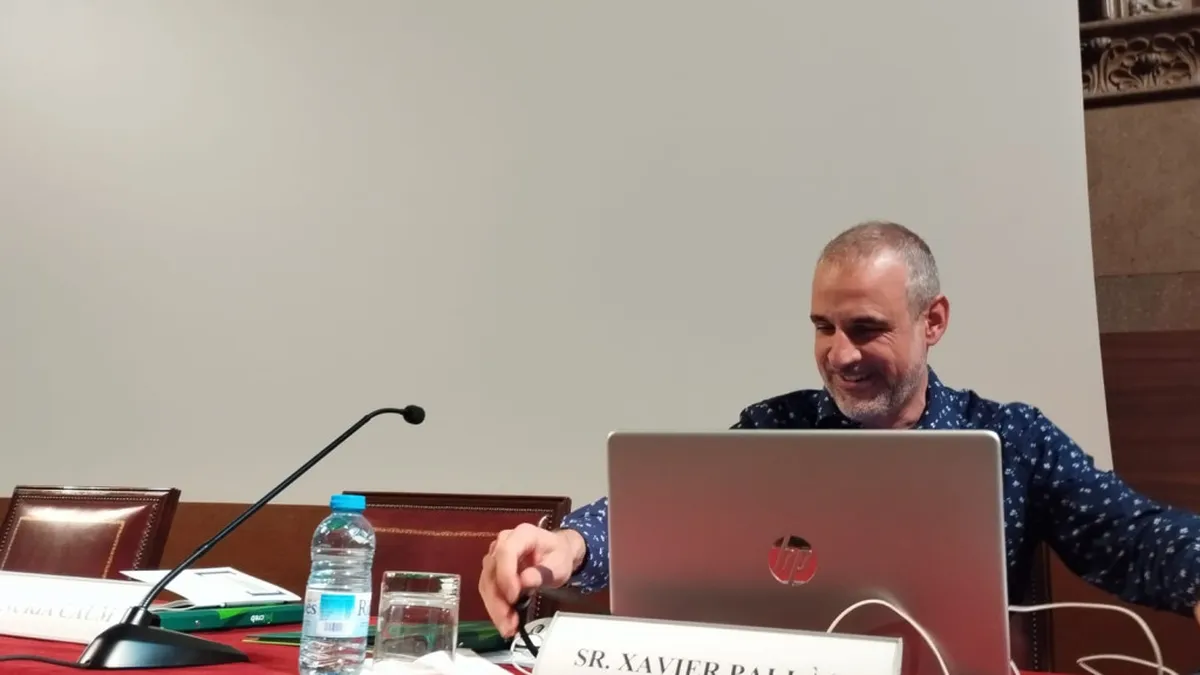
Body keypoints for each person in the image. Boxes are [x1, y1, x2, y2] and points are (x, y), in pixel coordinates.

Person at [478, 220, 1200, 638]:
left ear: (933, 321)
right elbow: (666, 515)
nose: (840, 355)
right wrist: (571, 542)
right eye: (824, 326)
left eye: (866, 328)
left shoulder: (1014, 440)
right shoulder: (776, 428)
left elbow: (1137, 536)